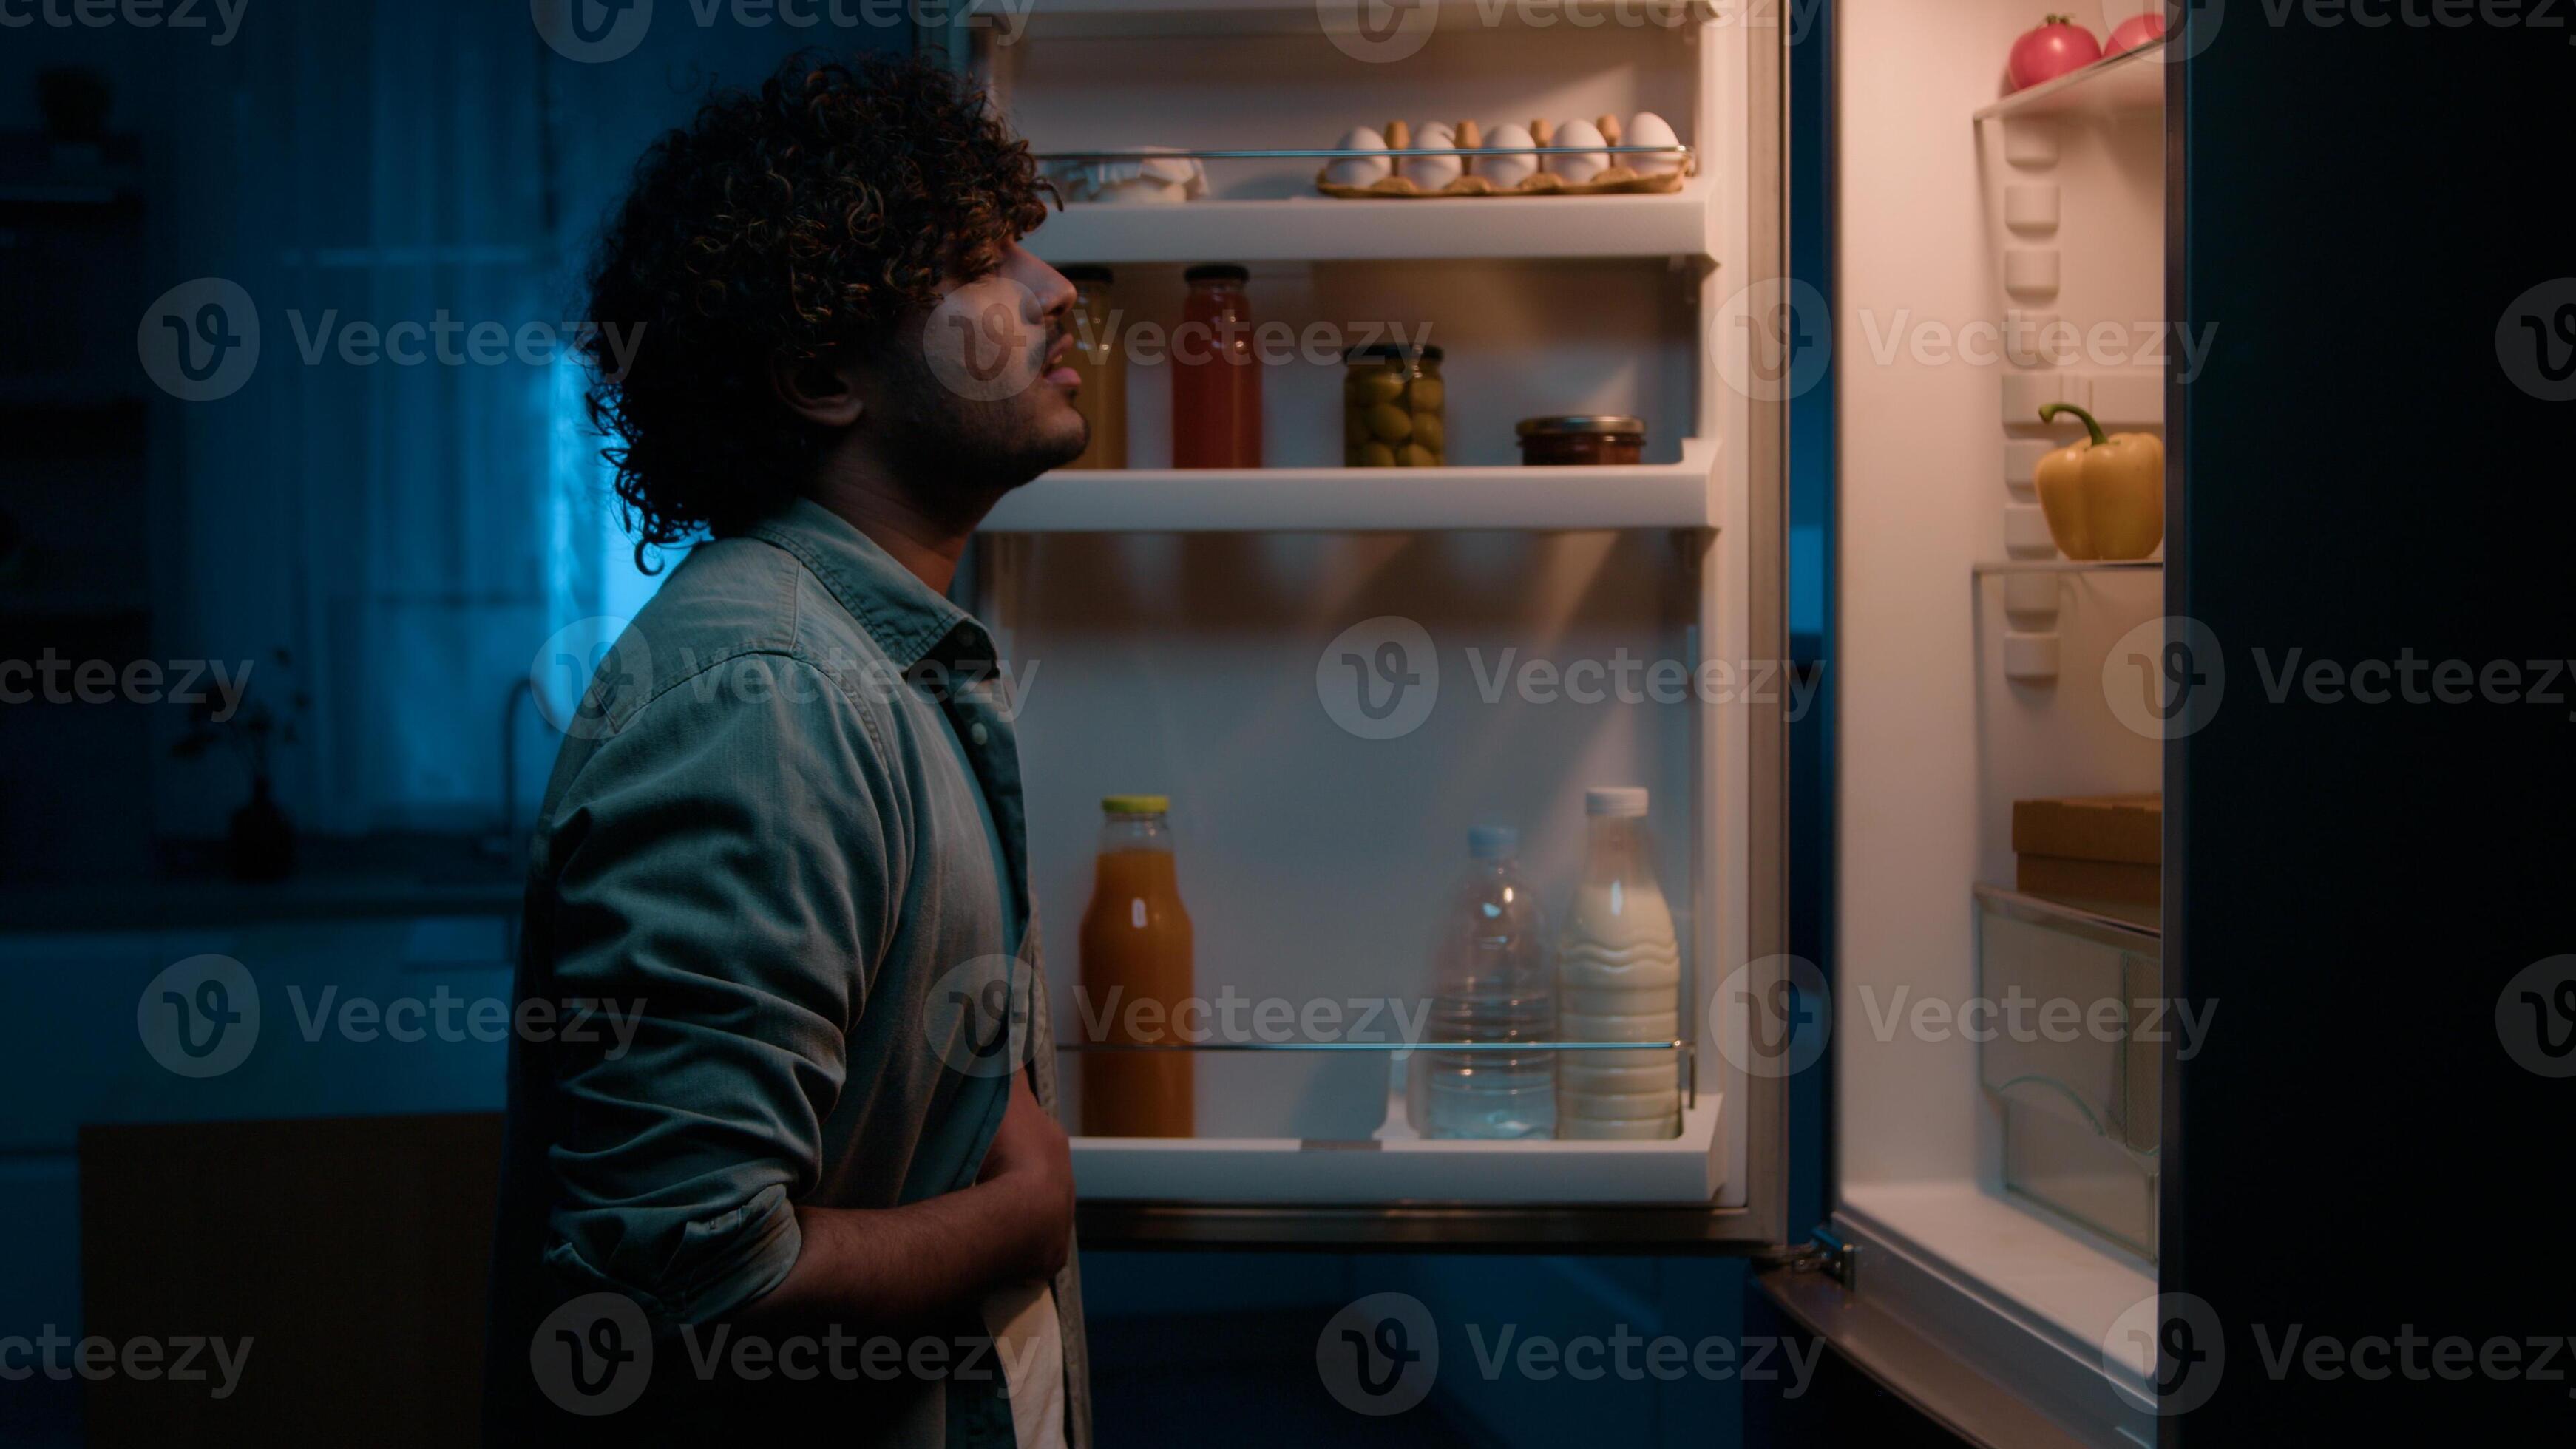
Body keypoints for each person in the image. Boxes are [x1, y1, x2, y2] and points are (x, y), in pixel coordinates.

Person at [484, 50, 1091, 1447]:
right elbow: (688, 1275)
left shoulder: (877, 659)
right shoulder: (764, 698)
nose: (1057, 291)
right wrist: (1019, 1218)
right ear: (823, 373)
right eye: (978, 267)